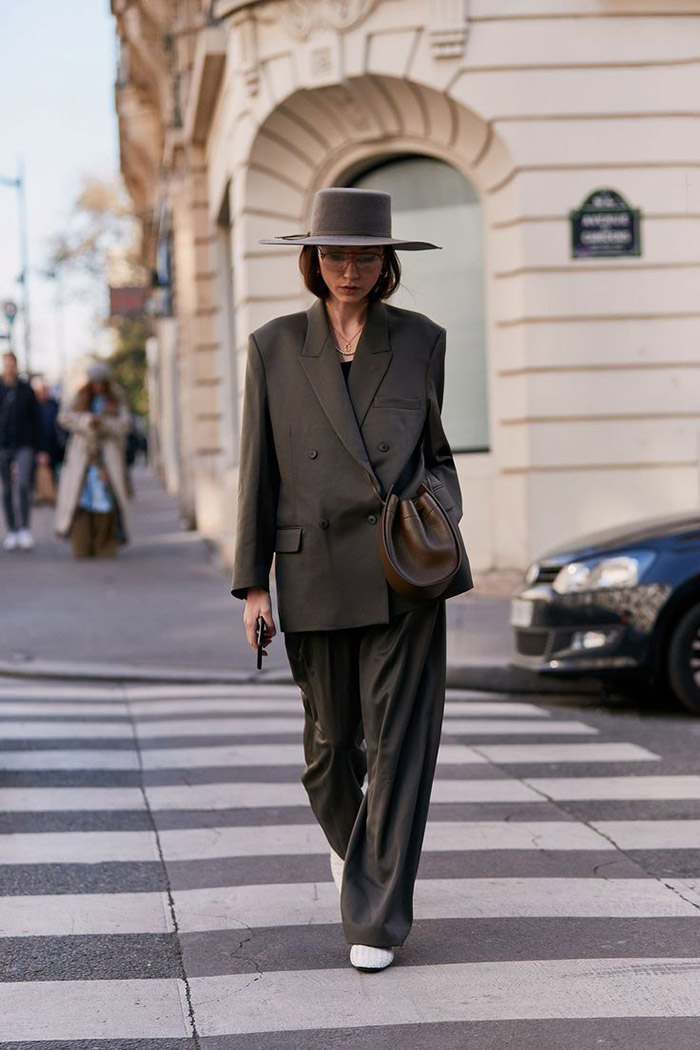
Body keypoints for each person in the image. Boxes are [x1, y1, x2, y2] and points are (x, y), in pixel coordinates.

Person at [232, 188, 473, 972]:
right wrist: (253, 584)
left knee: (399, 744)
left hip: (401, 570)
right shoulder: (271, 346)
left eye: (365, 256)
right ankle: (358, 849)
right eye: (335, 255)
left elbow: (438, 453)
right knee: (332, 747)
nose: (349, 270)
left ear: (386, 263)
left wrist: (436, 511)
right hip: (311, 570)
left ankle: (375, 919)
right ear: (313, 260)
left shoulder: (421, 340)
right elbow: (256, 474)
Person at [55, 361, 131, 558]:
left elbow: (125, 424)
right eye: (94, 382)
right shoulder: (78, 397)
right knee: (80, 500)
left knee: (106, 500)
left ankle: (105, 545)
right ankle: (82, 545)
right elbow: (64, 417)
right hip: (82, 456)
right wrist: (86, 422)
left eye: (101, 383)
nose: (97, 387)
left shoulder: (115, 398)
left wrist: (104, 424)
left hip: (107, 458)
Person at [0, 350, 42, 551]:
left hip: (24, 445)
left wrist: (41, 449)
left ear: (16, 365)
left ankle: (25, 528)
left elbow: (37, 420)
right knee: (7, 489)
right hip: (3, 446)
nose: (9, 367)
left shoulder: (26, 390)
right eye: (6, 364)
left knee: (23, 484)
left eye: (12, 363)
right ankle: (12, 530)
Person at [31, 375, 65, 483]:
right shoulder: (32, 407)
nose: (42, 393)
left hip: (55, 448)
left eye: (44, 390)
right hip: (37, 448)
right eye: (39, 391)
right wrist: (40, 451)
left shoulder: (54, 405)